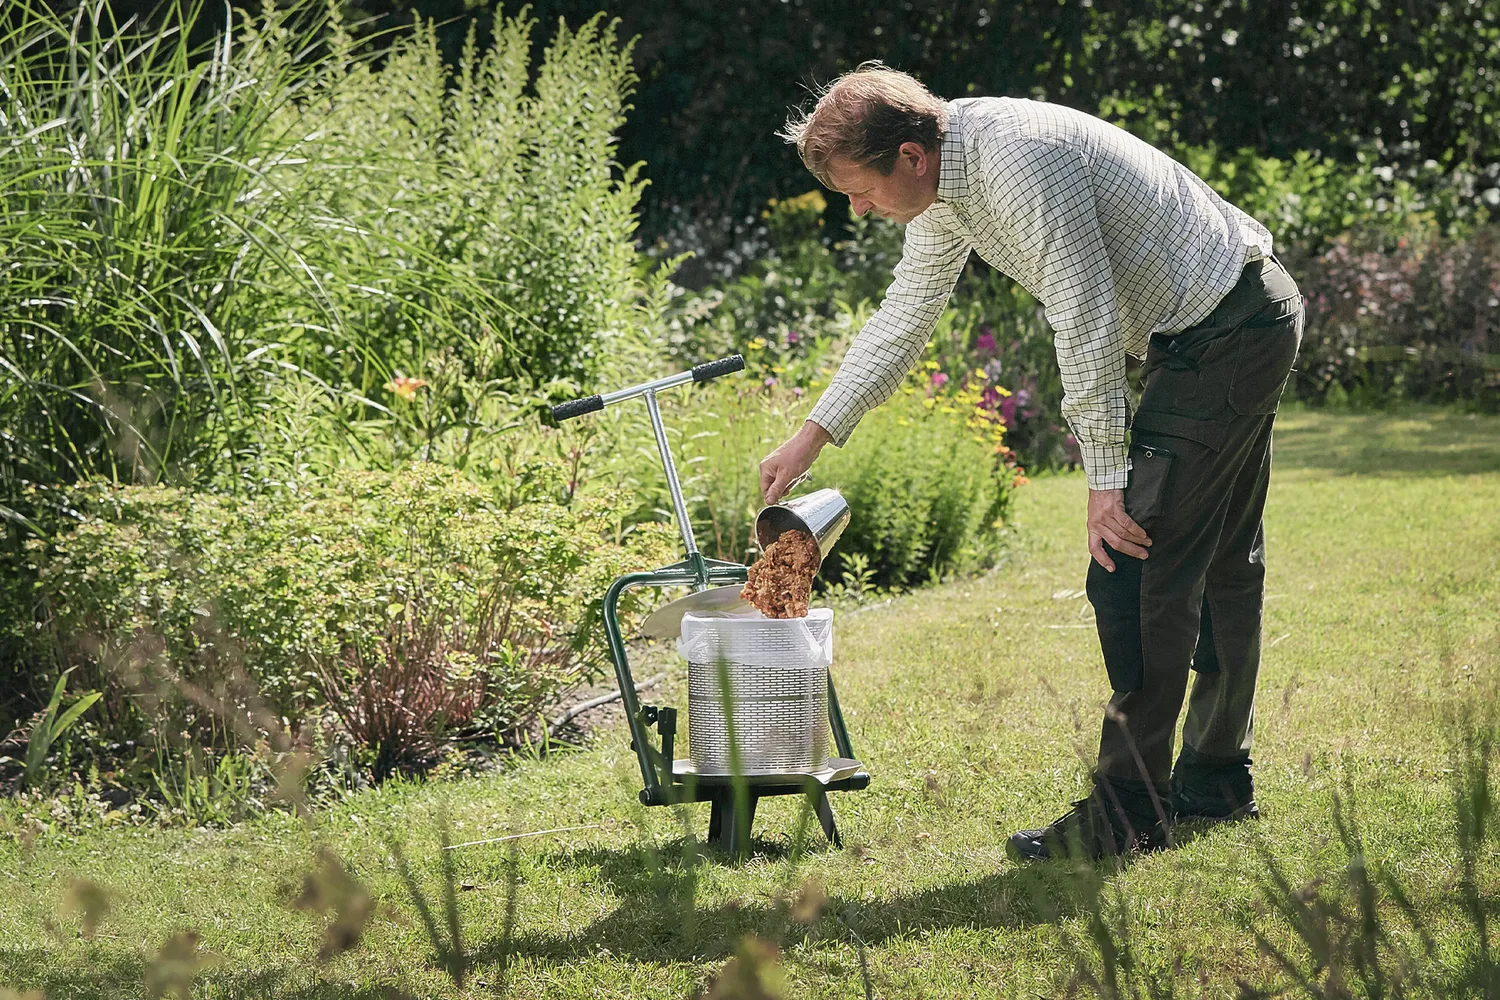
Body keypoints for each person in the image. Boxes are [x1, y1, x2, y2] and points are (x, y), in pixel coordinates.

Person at [759, 63, 1303, 861]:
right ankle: (1214, 782)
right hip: (1232, 320)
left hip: (1228, 330)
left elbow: (1083, 317)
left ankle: (1130, 813)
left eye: (861, 190)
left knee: (1132, 565)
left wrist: (1106, 481)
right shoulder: (947, 182)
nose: (859, 209)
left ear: (909, 155)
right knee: (1217, 560)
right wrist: (813, 434)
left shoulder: (1018, 161)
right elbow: (905, 315)